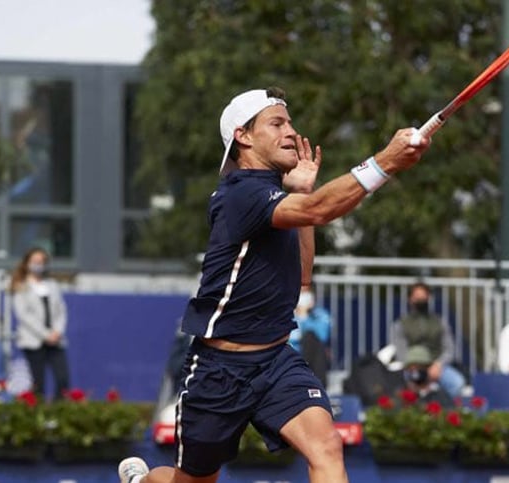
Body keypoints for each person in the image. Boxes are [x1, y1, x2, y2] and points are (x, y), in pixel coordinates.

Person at [118, 87, 430, 483]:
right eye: (276, 123)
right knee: (195, 481)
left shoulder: (277, 198)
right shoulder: (241, 194)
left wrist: (301, 191)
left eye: (290, 122)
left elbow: (301, 274)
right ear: (243, 136)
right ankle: (141, 481)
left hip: (275, 360)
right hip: (218, 370)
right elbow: (319, 211)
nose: (290, 132)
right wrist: (385, 162)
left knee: (327, 447)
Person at [10, 247, 70, 398]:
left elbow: (60, 310)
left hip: (55, 341)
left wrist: (57, 331)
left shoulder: (52, 285)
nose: (38, 264)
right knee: (38, 383)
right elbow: (24, 315)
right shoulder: (21, 286)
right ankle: (38, 415)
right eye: (35, 261)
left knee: (62, 379)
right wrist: (45, 334)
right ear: (27, 263)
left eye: (42, 261)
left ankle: (58, 413)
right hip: (33, 341)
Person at [390, 282, 465, 399]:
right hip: (410, 367)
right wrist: (416, 368)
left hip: (436, 366)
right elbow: (401, 352)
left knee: (457, 383)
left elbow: (449, 349)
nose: (421, 299)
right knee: (397, 386)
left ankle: (443, 410)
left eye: (423, 296)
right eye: (417, 296)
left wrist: (438, 365)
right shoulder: (400, 325)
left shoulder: (440, 322)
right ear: (410, 299)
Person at [289, 285, 331, 386]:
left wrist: (304, 317)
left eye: (306, 293)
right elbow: (290, 336)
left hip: (311, 356)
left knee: (310, 337)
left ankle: (318, 387)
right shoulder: (286, 313)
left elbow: (322, 336)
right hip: (290, 353)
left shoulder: (321, 314)